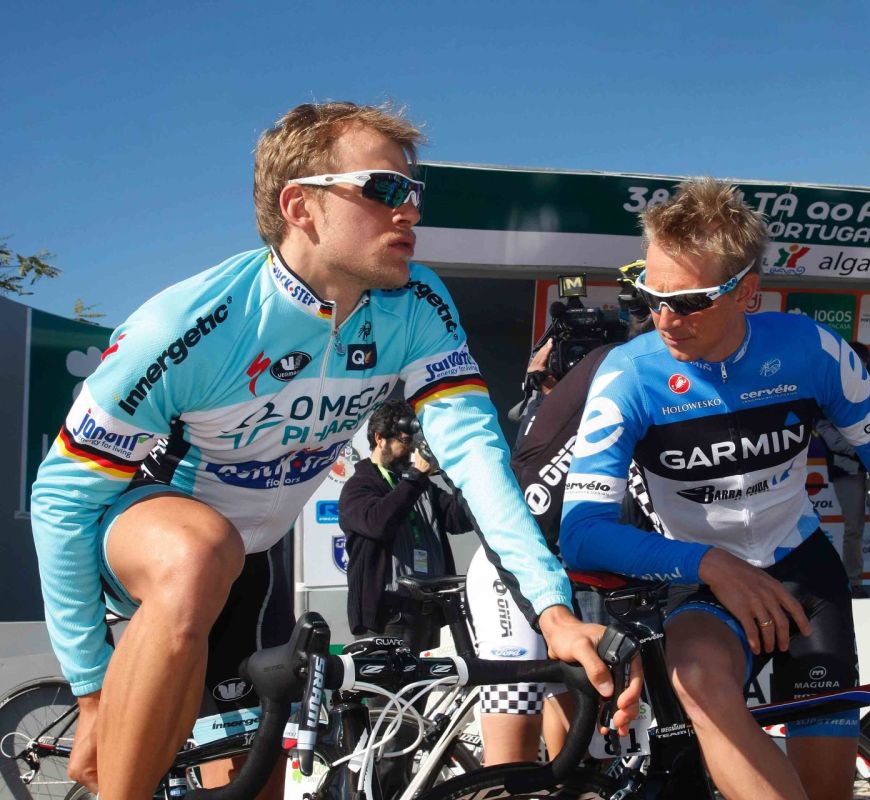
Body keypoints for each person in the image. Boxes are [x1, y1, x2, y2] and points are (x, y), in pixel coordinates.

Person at [29, 101, 638, 798]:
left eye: (415, 191)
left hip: (252, 566)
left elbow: (478, 461)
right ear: (301, 206)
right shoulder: (194, 324)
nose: (410, 210)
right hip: (146, 547)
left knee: (255, 780)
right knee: (200, 550)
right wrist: (90, 691)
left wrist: (552, 612)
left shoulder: (417, 303)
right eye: (384, 189)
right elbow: (61, 498)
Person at [559, 179, 870, 800]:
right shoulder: (630, 375)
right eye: (651, 294)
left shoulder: (811, 350)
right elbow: (581, 534)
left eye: (690, 302)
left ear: (746, 292)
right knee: (697, 678)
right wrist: (709, 562)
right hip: (698, 581)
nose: (665, 319)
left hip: (803, 574)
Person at [468, 272, 657, 764]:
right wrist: (541, 393)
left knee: (583, 746)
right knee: (514, 753)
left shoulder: (635, 398)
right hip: (516, 569)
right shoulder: (556, 407)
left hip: (584, 576)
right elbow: (527, 494)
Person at [340, 398, 474, 648]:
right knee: (389, 675)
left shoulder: (418, 485)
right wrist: (415, 477)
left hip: (428, 611)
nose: (411, 449)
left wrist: (460, 471)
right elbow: (378, 523)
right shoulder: (359, 486)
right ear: (380, 439)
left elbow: (458, 519)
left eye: (414, 442)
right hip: (389, 615)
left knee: (430, 676)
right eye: (405, 441)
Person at [815, 340, 870, 596]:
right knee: (853, 528)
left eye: (861, 362)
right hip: (846, 469)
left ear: (867, 363)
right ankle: (853, 584)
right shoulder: (830, 393)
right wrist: (862, 448)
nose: (857, 366)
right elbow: (826, 432)